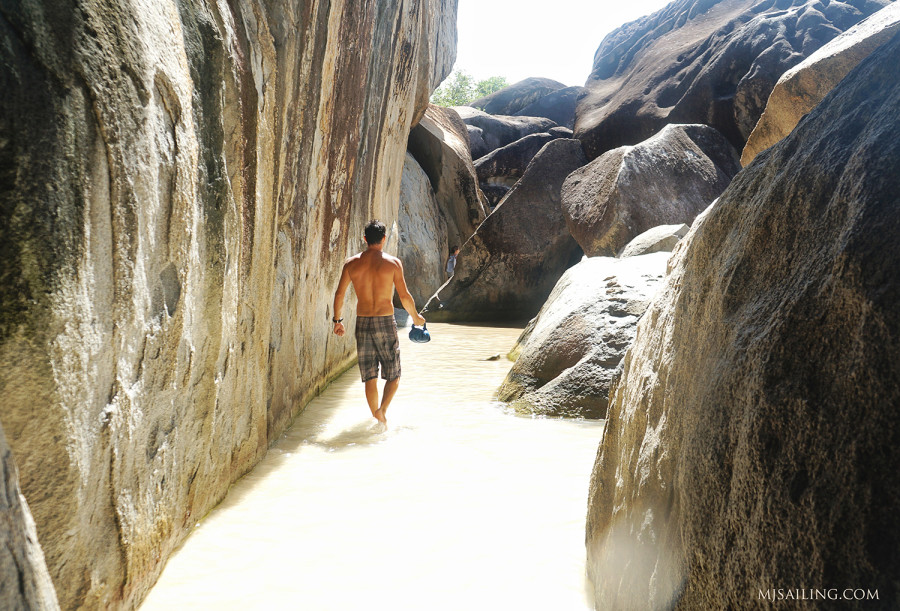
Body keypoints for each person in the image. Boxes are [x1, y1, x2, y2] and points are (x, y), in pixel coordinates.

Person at [332, 219, 426, 427]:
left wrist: (338, 320)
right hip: (385, 322)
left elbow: (339, 294)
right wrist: (416, 317)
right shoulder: (393, 264)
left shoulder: (351, 264)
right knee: (394, 374)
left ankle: (376, 414)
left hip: (363, 322)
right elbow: (405, 296)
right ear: (384, 239)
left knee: (369, 375)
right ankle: (382, 410)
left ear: (365, 239)